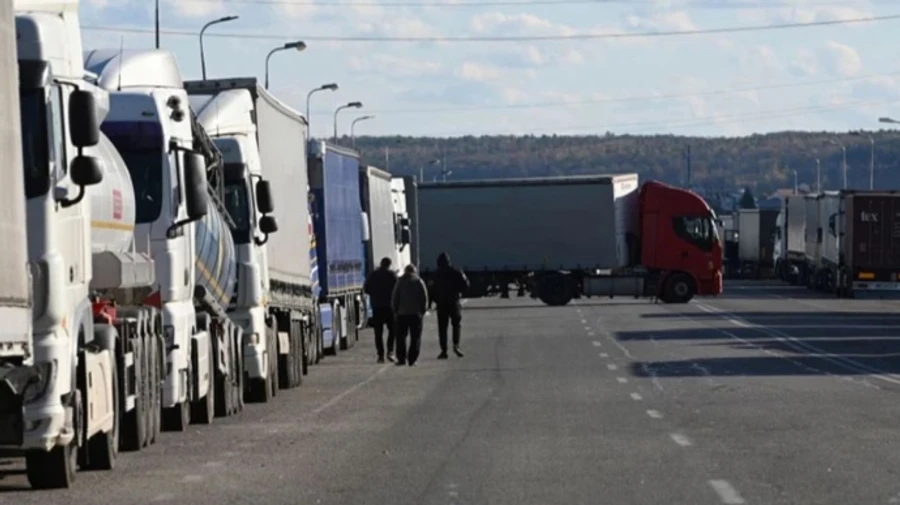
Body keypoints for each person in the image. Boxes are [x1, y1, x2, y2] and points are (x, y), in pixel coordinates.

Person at [430, 252, 470, 359]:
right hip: (454, 301)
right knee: (456, 324)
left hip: (441, 303)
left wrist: (433, 301)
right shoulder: (457, 271)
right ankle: (456, 345)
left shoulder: (436, 274)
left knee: (442, 328)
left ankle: (444, 350)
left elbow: (431, 289)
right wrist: (460, 292)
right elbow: (466, 284)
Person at [391, 264, 429, 367]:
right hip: (415, 314)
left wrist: (395, 310)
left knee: (401, 337)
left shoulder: (400, 282)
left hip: (402, 314)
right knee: (415, 337)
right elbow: (424, 297)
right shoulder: (418, 281)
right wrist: (423, 310)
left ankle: (401, 358)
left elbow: (395, 297)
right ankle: (412, 359)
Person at [363, 257, 398, 363]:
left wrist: (374, 295)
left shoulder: (373, 275)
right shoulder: (392, 275)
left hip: (377, 307)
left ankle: (380, 355)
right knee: (392, 330)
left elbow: (366, 288)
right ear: (389, 264)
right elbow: (397, 289)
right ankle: (390, 351)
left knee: (378, 332)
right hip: (389, 307)